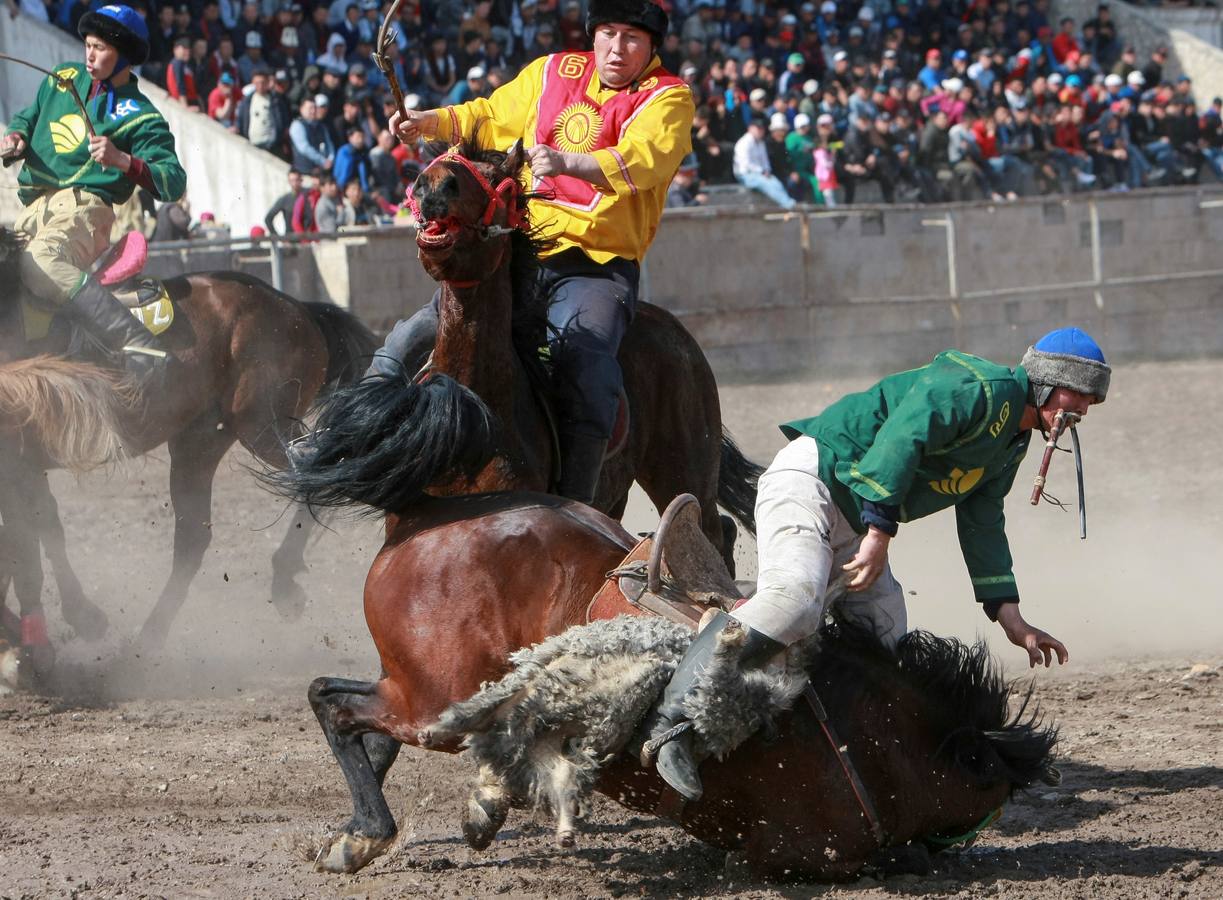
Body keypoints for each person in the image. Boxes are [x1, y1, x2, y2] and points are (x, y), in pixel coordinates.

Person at [647, 329, 1111, 801]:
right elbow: (905, 434)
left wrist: (1012, 619)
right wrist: (878, 534)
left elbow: (983, 523)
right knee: (795, 603)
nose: (1085, 411)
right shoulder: (978, 386)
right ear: (1049, 382)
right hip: (813, 480)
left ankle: (843, 758)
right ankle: (670, 724)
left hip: (855, 515)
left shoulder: (1012, 443)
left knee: (884, 630)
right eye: (1082, 395)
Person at [360, 0, 694, 505]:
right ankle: (351, 440)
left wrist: (569, 161)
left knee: (584, 361)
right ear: (593, 34)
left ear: (651, 46)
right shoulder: (553, 70)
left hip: (596, 267)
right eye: (608, 34)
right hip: (520, 251)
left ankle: (575, 505)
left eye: (631, 38)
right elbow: (490, 116)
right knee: (417, 333)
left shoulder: (668, 96)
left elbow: (644, 160)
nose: (617, 49)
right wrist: (429, 122)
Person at [1, 3, 186, 383]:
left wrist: (123, 160)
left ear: (124, 56)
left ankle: (138, 343)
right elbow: (28, 115)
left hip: (85, 213)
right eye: (87, 44)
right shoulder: (61, 77)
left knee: (41, 264)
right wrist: (16, 136)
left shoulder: (142, 114)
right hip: (33, 212)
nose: (89, 53)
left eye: (100, 47)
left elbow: (173, 180)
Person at [264, 168, 313, 234]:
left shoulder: (309, 195)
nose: (294, 183)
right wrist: (277, 237)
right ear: (288, 181)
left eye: (297, 180)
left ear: (301, 180)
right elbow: (268, 218)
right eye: (292, 180)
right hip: (291, 240)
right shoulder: (285, 199)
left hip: (310, 238)